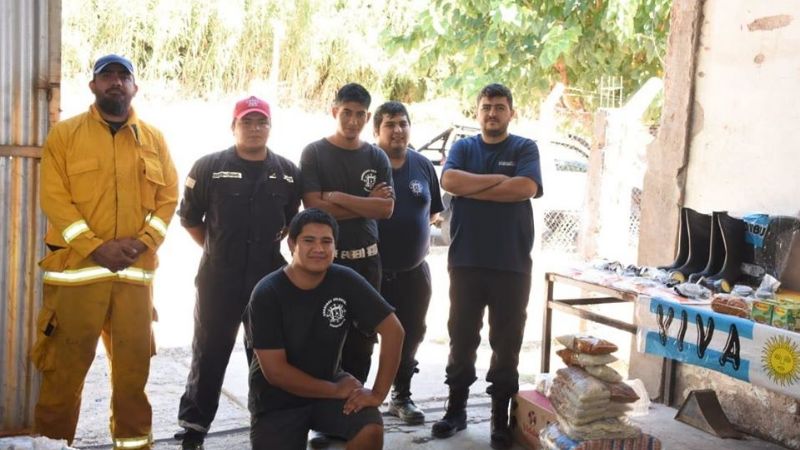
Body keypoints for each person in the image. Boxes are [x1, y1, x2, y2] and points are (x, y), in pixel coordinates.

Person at [32, 54, 178, 449]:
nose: (115, 82)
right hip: (78, 277)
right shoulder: (66, 135)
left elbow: (168, 198)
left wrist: (144, 242)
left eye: (123, 76)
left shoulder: (154, 138)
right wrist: (95, 248)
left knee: (133, 378)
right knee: (64, 374)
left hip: (134, 280)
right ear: (93, 85)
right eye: (107, 76)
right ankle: (51, 444)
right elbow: (54, 198)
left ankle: (134, 446)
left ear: (135, 87)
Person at [174, 96, 302, 449]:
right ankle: (194, 428)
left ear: (270, 128)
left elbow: (292, 223)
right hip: (219, 279)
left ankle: (268, 423)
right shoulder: (208, 168)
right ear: (234, 127)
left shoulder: (289, 172)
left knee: (267, 354)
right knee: (209, 352)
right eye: (247, 122)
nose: (255, 128)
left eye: (261, 122)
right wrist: (219, 252)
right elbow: (190, 220)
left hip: (268, 280)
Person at [430, 83, 543, 449]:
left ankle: (500, 419)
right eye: (486, 107)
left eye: (499, 107)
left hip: (511, 263)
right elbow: (449, 181)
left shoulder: (525, 147)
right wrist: (499, 181)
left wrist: (474, 187)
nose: (492, 113)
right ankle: (455, 410)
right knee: (462, 337)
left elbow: (524, 188)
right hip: (466, 261)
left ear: (511, 112)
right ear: (477, 112)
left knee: (506, 342)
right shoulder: (464, 146)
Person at [244, 208, 404, 450]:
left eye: (326, 241)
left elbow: (394, 331)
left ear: (335, 246)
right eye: (309, 240)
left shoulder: (345, 279)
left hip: (329, 383)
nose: (318, 249)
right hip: (277, 399)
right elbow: (275, 372)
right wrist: (335, 390)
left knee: (369, 428)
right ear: (291, 244)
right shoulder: (267, 292)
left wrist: (378, 393)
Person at [299, 82, 394, 447]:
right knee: (324, 340)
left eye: (359, 114)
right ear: (334, 111)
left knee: (363, 341)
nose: (353, 120)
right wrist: (362, 202)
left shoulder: (375, 157)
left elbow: (385, 209)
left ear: (367, 118)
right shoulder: (315, 153)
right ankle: (323, 415)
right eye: (346, 112)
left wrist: (337, 198)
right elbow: (313, 209)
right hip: (327, 263)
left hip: (368, 262)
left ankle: (352, 410)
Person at [373, 101, 444, 424]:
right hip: (369, 272)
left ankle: (400, 396)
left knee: (411, 335)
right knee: (354, 339)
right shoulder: (367, 162)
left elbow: (432, 213)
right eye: (390, 124)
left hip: (415, 273)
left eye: (403, 123)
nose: (398, 130)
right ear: (377, 131)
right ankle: (346, 404)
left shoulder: (423, 165)